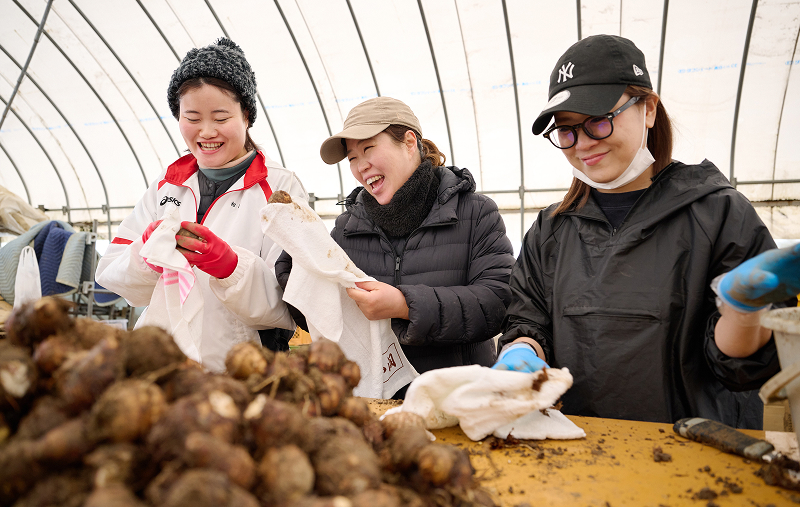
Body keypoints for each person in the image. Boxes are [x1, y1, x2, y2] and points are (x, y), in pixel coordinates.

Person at [495, 34, 798, 429]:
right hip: (574, 450)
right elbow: (528, 320)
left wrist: (743, 310)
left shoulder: (717, 212)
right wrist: (522, 349)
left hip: (694, 453)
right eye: (567, 131)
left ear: (649, 109)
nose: (582, 145)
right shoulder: (551, 230)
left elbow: (741, 371)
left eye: (598, 122)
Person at [276, 97, 515, 397]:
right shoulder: (347, 228)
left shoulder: (475, 213)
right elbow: (330, 320)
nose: (361, 166)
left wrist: (405, 305)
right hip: (375, 405)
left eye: (368, 148)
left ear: (409, 142)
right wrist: (296, 261)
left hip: (459, 402)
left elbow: (497, 302)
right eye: (351, 158)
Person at [97, 38, 307, 371]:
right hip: (162, 368)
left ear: (247, 115)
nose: (206, 132)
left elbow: (290, 304)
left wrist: (230, 267)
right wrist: (146, 256)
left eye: (221, 117)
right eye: (192, 117)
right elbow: (112, 275)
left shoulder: (280, 188)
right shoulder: (166, 187)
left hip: (242, 371)